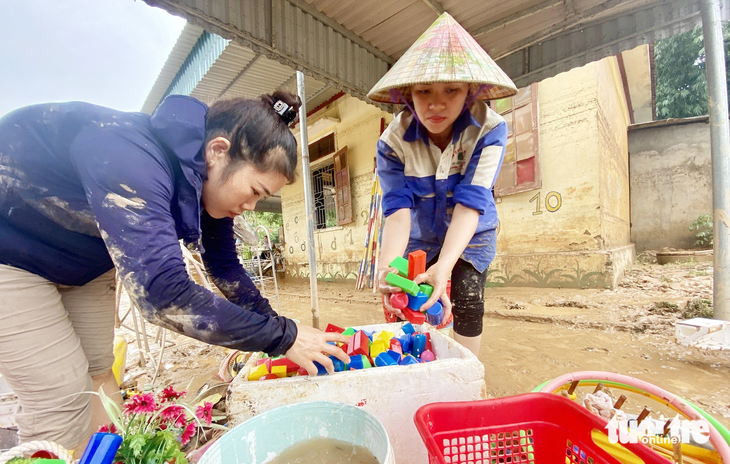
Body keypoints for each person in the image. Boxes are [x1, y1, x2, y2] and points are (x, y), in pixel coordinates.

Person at [0, 91, 349, 451]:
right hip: (9, 253)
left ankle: (111, 457)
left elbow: (226, 267)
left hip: (80, 262)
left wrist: (280, 327)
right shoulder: (133, 160)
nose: (250, 206)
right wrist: (283, 337)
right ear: (217, 151)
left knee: (99, 372)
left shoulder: (202, 184)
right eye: (255, 191)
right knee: (60, 394)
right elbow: (163, 295)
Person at [368, 13, 518, 356]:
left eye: (451, 90)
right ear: (408, 94)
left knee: (466, 298)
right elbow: (397, 213)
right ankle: (413, 365)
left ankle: (465, 376)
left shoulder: (489, 130)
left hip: (472, 229)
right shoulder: (392, 142)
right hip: (417, 232)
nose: (436, 103)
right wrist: (388, 266)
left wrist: (445, 266)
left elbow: (471, 205)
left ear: (470, 91)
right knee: (408, 303)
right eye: (424, 91)